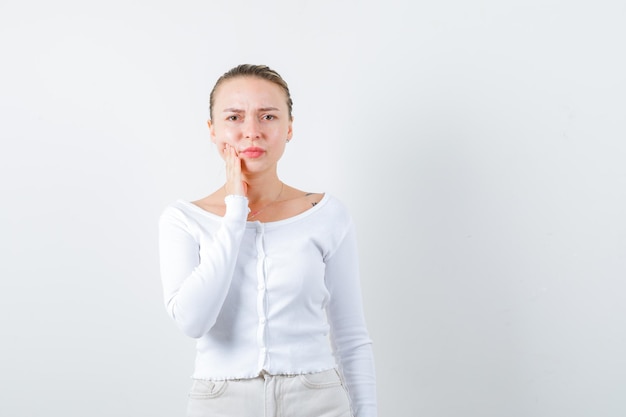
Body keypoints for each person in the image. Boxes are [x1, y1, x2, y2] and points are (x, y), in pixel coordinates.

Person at [158, 64, 377, 417]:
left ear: (289, 128)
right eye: (234, 117)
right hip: (219, 401)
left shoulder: (326, 215)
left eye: (268, 117)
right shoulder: (183, 220)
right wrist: (235, 210)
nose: (252, 132)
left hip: (318, 399)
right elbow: (193, 321)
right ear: (212, 130)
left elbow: (350, 336)